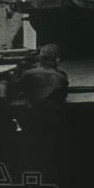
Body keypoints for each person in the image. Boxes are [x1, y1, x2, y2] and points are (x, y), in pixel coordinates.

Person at [16, 44, 69, 180]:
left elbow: (19, 89)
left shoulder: (29, 74)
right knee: (49, 149)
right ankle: (49, 178)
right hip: (52, 118)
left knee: (32, 148)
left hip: (31, 118)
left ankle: (31, 178)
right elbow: (63, 95)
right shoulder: (61, 76)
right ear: (56, 59)